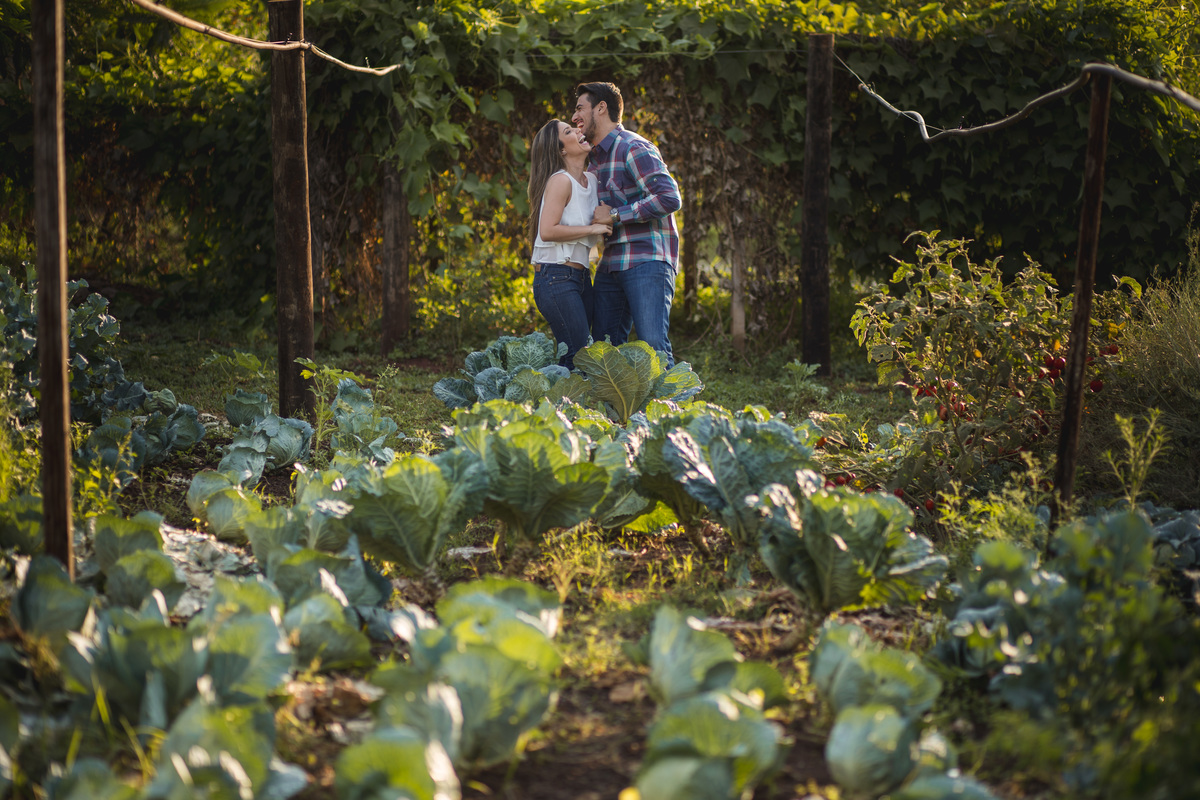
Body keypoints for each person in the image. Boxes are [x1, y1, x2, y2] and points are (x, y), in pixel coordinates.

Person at [572, 81, 682, 367]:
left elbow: (669, 198)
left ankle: (676, 399)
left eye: (580, 108)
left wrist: (616, 215)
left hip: (647, 259)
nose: (574, 117)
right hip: (611, 264)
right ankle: (614, 400)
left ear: (601, 108)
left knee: (654, 347)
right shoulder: (593, 160)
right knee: (603, 351)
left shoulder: (632, 146)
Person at [528, 119, 613, 369]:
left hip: (581, 277)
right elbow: (547, 230)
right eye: (569, 131)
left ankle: (557, 394)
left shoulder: (592, 180)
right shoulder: (560, 180)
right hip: (555, 277)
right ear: (562, 150)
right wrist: (592, 229)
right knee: (580, 355)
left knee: (574, 356)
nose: (578, 130)